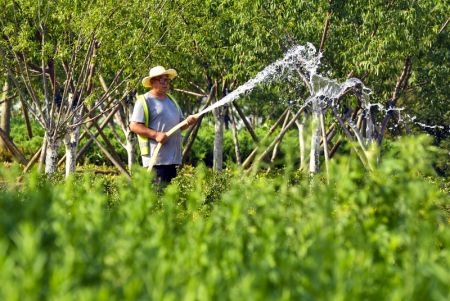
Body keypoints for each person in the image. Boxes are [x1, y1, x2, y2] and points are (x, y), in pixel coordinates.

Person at [129, 66, 197, 184]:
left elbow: (181, 126)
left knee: (171, 199)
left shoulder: (172, 100)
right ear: (152, 82)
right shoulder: (144, 101)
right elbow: (134, 126)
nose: (166, 83)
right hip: (157, 160)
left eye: (167, 80)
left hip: (174, 159)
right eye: (162, 80)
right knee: (158, 197)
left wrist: (188, 122)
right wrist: (155, 134)